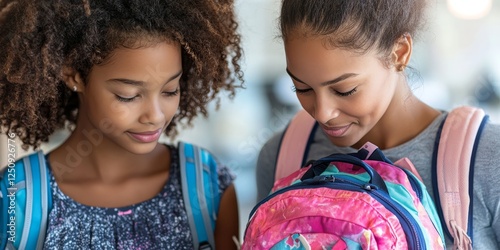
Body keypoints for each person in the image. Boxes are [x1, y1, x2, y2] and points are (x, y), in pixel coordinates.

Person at [256, 0, 500, 249]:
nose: (323, 112)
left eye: (344, 90)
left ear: (399, 52)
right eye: (302, 88)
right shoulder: (281, 157)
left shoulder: (486, 162)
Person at [0, 0, 243, 249]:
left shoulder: (207, 186)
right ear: (74, 76)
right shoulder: (17, 198)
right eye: (128, 95)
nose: (156, 116)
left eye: (170, 90)